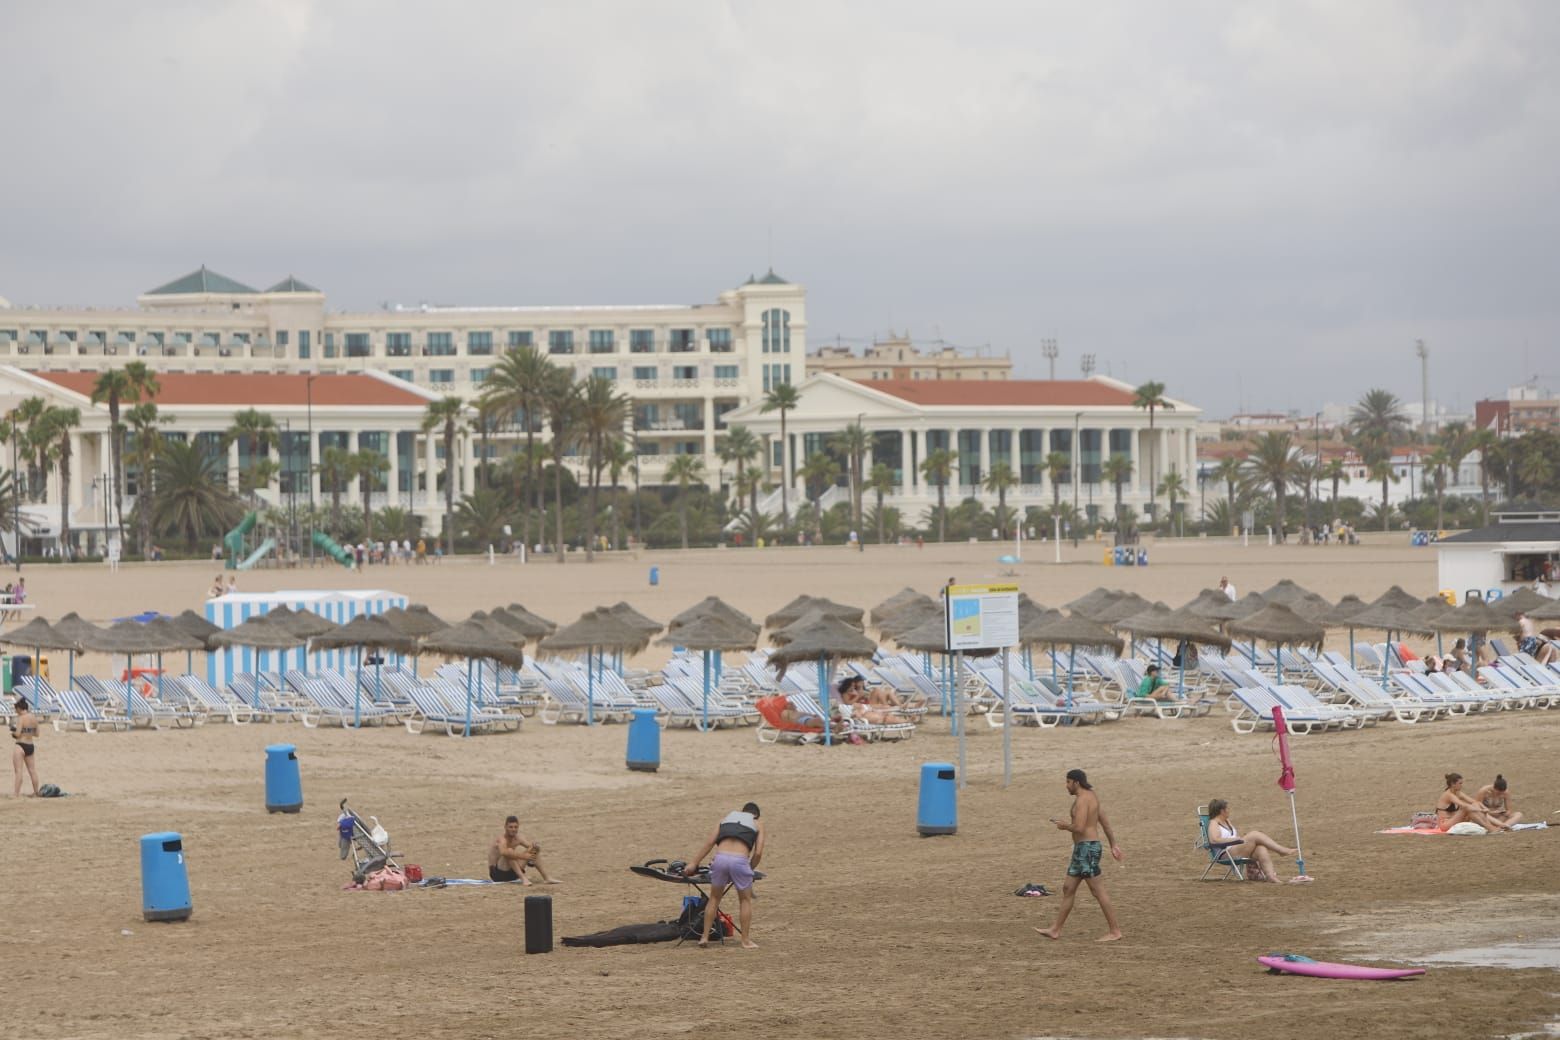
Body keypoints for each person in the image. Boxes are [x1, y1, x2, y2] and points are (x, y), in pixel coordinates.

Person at [1036, 769, 1123, 942]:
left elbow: (1080, 827)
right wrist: (1113, 844)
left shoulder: (1083, 800)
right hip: (1082, 849)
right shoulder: (1092, 796)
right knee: (1068, 888)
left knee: (1097, 891)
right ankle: (1055, 929)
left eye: (1068, 782)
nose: (1066, 786)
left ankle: (1115, 931)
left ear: (1076, 782)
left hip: (1087, 850)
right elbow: (1104, 821)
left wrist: (1064, 825)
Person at [683, 802, 765, 949]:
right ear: (756, 815)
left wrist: (694, 863)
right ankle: (745, 941)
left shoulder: (724, 819)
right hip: (740, 861)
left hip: (720, 858)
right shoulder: (757, 824)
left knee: (714, 898)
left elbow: (709, 843)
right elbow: (758, 853)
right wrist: (750, 869)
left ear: (742, 811)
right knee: (745, 900)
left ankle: (704, 937)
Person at [1205, 799, 1297, 883]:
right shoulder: (1214, 823)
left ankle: (1270, 876)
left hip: (1234, 849)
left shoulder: (1227, 821)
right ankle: (1281, 851)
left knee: (1261, 848)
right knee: (1254, 834)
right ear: (1222, 811)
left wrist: (1236, 839)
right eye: (1227, 808)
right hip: (1225, 854)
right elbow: (1214, 840)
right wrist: (1233, 839)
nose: (1229, 810)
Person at [487, 815, 560, 885]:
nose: (513, 829)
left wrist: (536, 848)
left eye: (516, 827)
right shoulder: (501, 839)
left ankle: (547, 878)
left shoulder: (518, 838)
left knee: (534, 848)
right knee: (509, 851)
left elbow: (532, 847)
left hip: (513, 874)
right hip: (498, 875)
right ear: (505, 827)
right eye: (511, 827)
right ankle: (523, 878)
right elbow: (504, 852)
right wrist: (524, 856)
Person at [1435, 772, 1511, 832]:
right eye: (1460, 783)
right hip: (1445, 825)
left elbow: (1475, 802)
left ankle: (1499, 825)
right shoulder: (1449, 795)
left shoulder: (1458, 793)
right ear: (1453, 784)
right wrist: (1481, 810)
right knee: (1466, 808)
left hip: (1455, 820)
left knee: (1474, 805)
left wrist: (1485, 809)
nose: (1462, 785)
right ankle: (1490, 827)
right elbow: (1465, 806)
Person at [11, 695, 41, 797]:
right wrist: (27, 731)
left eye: (16, 709)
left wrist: (13, 732)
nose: (16, 711)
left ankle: (16, 794)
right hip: (30, 745)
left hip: (20, 745)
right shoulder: (33, 718)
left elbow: (17, 734)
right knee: (32, 770)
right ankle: (36, 792)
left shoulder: (21, 718)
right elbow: (37, 734)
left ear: (19, 708)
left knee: (18, 771)